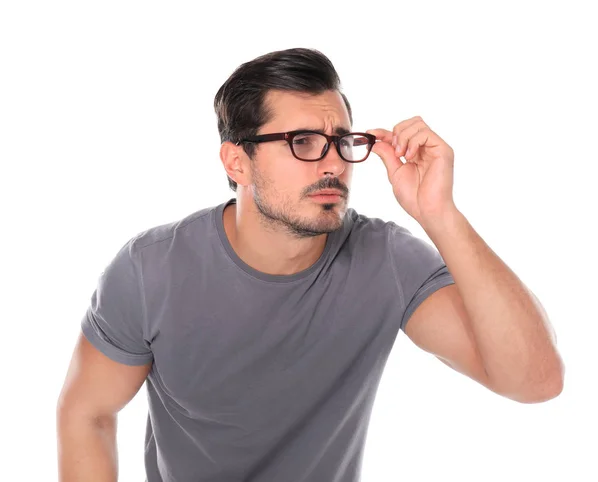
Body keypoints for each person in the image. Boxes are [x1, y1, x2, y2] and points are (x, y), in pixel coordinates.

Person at [56, 47, 564, 481]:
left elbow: (536, 381)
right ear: (237, 162)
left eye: (342, 141)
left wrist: (440, 215)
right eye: (302, 142)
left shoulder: (385, 258)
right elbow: (87, 412)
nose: (332, 163)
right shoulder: (151, 269)